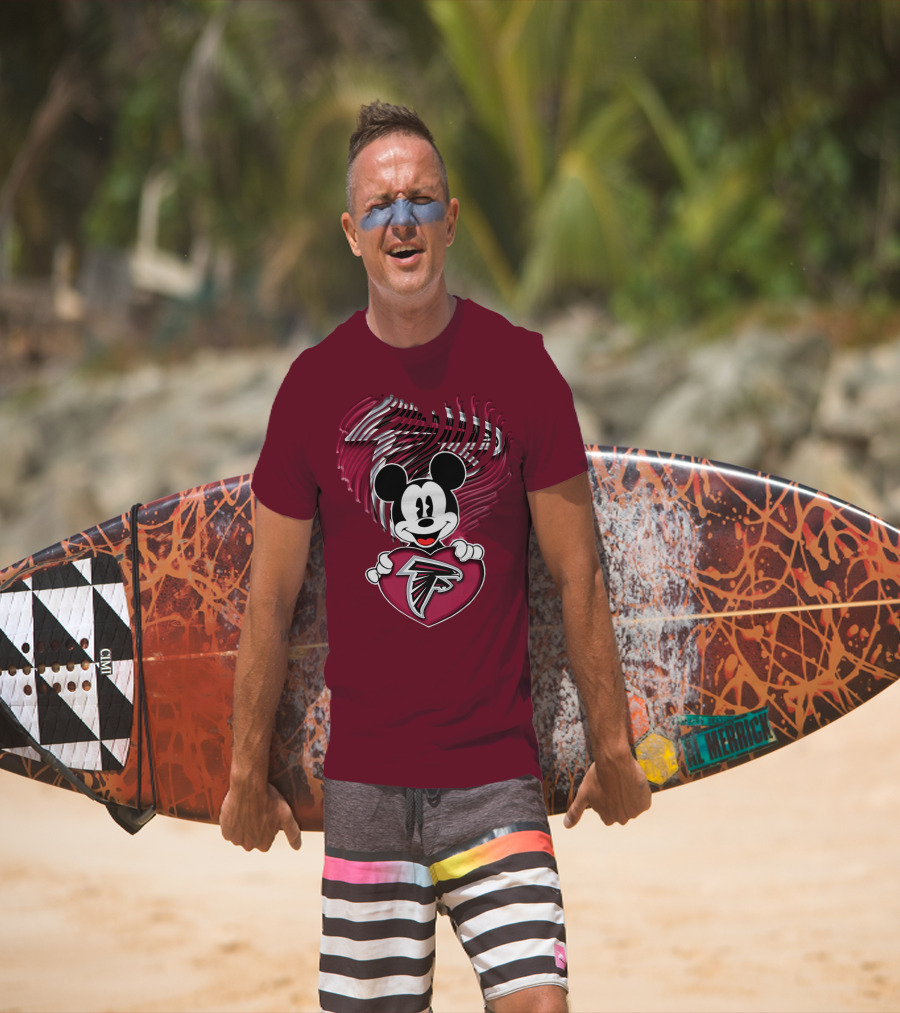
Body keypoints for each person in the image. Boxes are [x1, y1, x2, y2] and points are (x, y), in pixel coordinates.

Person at [220, 100, 651, 1013]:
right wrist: (242, 772)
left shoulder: (523, 370)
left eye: (421, 200)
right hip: (367, 787)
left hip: (496, 777)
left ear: (451, 219)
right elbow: (270, 599)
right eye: (380, 206)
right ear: (351, 233)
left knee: (540, 1003)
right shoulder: (311, 390)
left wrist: (612, 745)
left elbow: (579, 574)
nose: (402, 220)